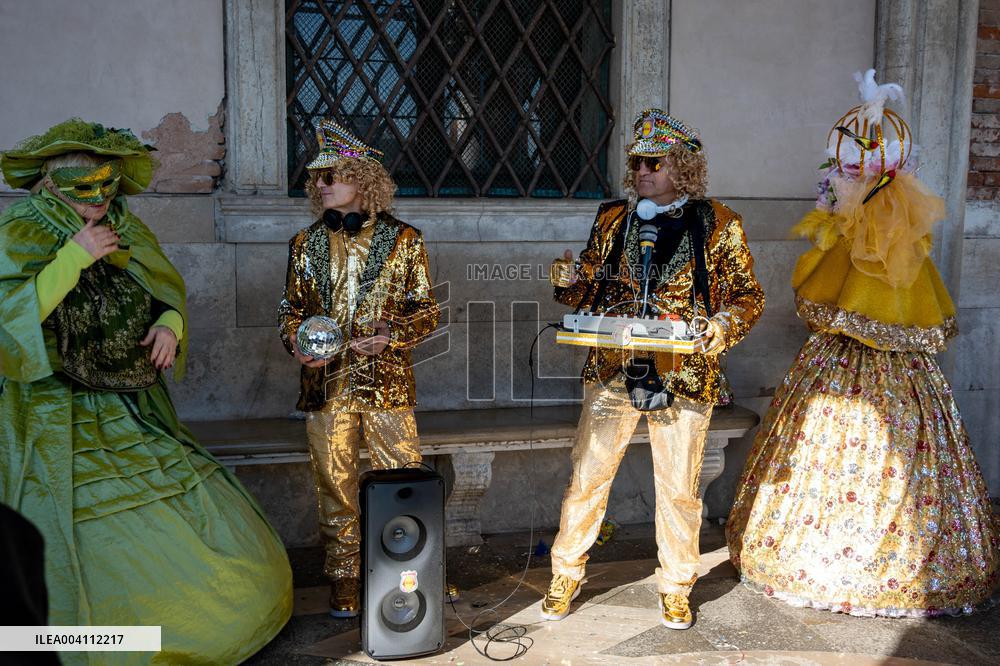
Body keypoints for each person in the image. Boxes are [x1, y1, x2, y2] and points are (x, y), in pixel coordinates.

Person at [0, 119, 292, 663]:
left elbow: (164, 290)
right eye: (86, 193)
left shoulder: (125, 228)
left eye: (109, 192)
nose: (101, 206)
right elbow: (8, 322)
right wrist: (75, 256)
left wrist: (170, 326)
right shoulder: (19, 231)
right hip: (42, 406)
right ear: (51, 187)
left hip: (121, 400)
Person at [726, 70, 1000, 617]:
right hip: (906, 374)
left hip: (839, 368)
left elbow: (816, 301)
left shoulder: (861, 232)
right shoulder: (905, 240)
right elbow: (925, 318)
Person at [542, 109, 765, 628]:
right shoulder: (613, 218)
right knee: (587, 477)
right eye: (636, 161)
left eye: (653, 162)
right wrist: (568, 278)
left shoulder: (719, 223)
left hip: (683, 372)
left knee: (679, 487)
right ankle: (565, 574)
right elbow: (586, 288)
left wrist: (721, 326)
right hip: (613, 365)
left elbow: (749, 296)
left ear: (681, 167)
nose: (641, 171)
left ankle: (676, 585)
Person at [278, 118, 439, 618]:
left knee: (401, 479)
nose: (322, 184)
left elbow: (427, 310)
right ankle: (345, 578)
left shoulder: (404, 239)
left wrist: (394, 334)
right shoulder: (304, 244)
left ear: (363, 180)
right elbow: (291, 311)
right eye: (318, 177)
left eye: (333, 175)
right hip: (325, 384)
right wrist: (295, 343)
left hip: (386, 384)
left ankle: (404, 574)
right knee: (334, 484)